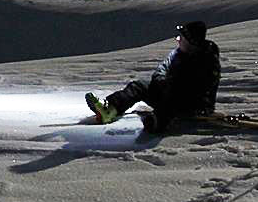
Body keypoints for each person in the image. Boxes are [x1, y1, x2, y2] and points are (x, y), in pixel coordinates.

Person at [87, 21, 221, 130]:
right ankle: (110, 109)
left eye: (181, 38)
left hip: (192, 104)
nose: (178, 41)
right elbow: (161, 70)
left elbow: (192, 91)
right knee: (138, 86)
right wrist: (161, 81)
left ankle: (159, 122)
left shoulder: (206, 62)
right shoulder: (179, 54)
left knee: (172, 99)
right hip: (170, 92)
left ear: (192, 42)